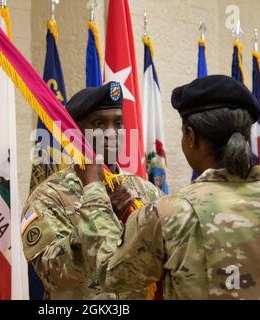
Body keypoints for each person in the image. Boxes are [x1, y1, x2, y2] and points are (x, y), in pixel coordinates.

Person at [74, 75, 260, 299]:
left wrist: (94, 190)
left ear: (190, 136)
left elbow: (109, 273)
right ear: (247, 137)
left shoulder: (170, 214)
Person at [20, 81, 161, 300]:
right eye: (99, 123)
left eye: (118, 123)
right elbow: (52, 274)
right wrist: (97, 216)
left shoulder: (146, 190)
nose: (112, 133)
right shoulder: (48, 196)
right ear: (75, 135)